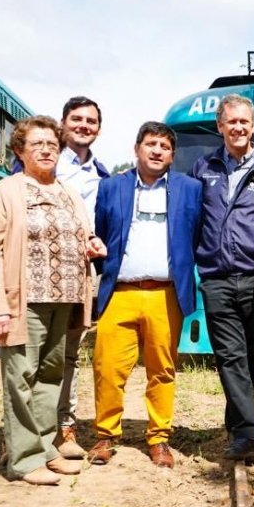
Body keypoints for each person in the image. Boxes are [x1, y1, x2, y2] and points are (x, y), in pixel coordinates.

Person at [0, 115, 104, 485]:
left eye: (52, 144)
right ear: (20, 150)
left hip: (64, 299)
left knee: (50, 376)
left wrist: (91, 244)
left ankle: (46, 449)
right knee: (21, 376)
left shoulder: (67, 192)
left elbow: (81, 234)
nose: (46, 150)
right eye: (37, 144)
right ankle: (24, 459)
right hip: (25, 300)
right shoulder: (6, 191)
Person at [86, 122, 202, 469]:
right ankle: (106, 435)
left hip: (165, 294)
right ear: (136, 148)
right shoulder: (111, 187)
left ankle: (159, 438)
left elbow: (196, 236)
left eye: (164, 146)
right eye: (151, 144)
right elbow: (102, 233)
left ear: (172, 155)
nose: (157, 151)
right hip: (120, 292)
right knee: (107, 367)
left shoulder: (190, 189)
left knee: (162, 370)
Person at [190, 94, 254, 461]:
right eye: (231, 121)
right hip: (216, 277)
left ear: (253, 126)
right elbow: (191, 217)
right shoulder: (203, 168)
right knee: (230, 356)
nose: (238, 127)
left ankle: (236, 423)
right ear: (220, 126)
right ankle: (248, 434)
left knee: (248, 356)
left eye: (244, 121)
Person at [13, 96, 110, 459]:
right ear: (63, 124)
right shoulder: (38, 163)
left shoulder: (102, 175)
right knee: (27, 360)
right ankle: (22, 437)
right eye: (77, 119)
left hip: (77, 277)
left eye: (91, 121)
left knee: (67, 356)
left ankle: (62, 428)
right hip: (35, 276)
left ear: (98, 128)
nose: (84, 125)